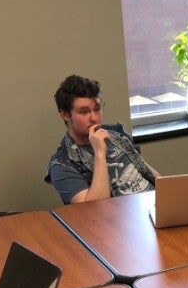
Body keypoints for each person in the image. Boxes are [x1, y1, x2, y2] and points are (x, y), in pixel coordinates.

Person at [45, 75, 159, 204]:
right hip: (120, 217)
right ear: (65, 115)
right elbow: (93, 209)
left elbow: (144, 169)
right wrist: (100, 154)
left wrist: (169, 191)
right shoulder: (62, 164)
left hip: (154, 204)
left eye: (97, 109)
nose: (94, 118)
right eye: (84, 112)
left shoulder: (115, 133)